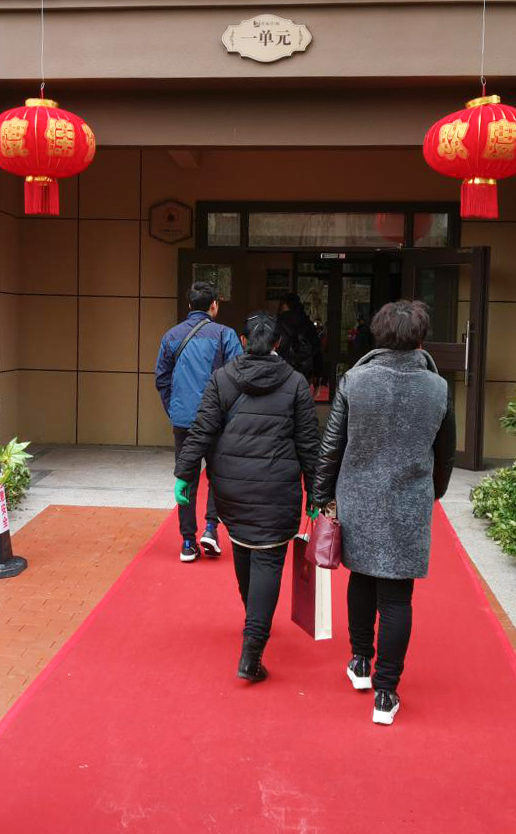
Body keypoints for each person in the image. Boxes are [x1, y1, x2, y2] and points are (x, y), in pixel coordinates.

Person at [312, 300, 455, 725]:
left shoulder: (355, 380)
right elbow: (445, 452)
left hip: (358, 497)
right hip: (409, 500)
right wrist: (433, 492)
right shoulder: (437, 388)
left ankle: (360, 660)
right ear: (421, 338)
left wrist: (321, 495)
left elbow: (332, 444)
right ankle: (386, 692)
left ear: (377, 334)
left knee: (360, 578)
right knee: (397, 596)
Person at [173, 312, 320, 682]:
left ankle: (253, 617)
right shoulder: (295, 383)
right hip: (277, 488)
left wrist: (185, 475)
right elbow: (308, 443)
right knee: (268, 559)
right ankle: (251, 653)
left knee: (242, 546)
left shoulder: (222, 378)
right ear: (278, 344)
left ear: (242, 341)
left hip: (232, 487)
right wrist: (316, 492)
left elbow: (202, 430)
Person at [155, 281, 244, 563]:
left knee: (186, 478)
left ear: (190, 305)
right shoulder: (225, 335)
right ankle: (210, 528)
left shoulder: (171, 336)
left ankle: (187, 542)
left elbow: (161, 379)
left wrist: (175, 410)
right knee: (218, 476)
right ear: (214, 305)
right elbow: (238, 377)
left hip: (184, 423)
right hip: (216, 421)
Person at [277, 292, 321, 380]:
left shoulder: (280, 322)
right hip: (305, 370)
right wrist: (318, 372)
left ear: (285, 305)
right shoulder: (307, 322)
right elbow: (316, 347)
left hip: (284, 368)